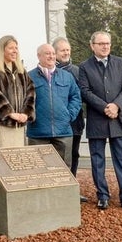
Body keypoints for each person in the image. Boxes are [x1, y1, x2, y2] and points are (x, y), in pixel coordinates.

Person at [78, 31, 122, 211]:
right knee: (97, 160)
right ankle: (102, 196)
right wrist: (105, 107)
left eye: (108, 43)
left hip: (118, 118)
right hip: (98, 119)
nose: (105, 46)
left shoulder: (119, 63)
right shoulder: (84, 67)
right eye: (101, 43)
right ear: (92, 45)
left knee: (121, 159)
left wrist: (116, 106)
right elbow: (85, 91)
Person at [27, 44, 81, 167]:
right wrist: (31, 117)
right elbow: (23, 101)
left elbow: (76, 97)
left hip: (63, 131)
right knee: (38, 170)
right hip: (37, 133)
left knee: (64, 170)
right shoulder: (28, 77)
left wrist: (69, 115)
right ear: (39, 56)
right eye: (47, 53)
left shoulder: (67, 76)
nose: (51, 56)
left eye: (53, 53)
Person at [0, 35, 35, 148]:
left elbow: (30, 91)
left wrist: (25, 112)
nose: (15, 51)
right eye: (11, 48)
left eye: (16, 48)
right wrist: (9, 112)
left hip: (18, 126)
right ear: (2, 49)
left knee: (17, 160)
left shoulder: (21, 70)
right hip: (1, 124)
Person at [52, 38, 86, 183]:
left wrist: (69, 115)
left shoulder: (77, 71)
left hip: (73, 123)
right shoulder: (49, 71)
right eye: (62, 50)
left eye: (68, 50)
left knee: (73, 155)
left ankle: (71, 187)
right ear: (54, 52)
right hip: (52, 124)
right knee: (54, 156)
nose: (66, 53)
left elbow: (80, 96)